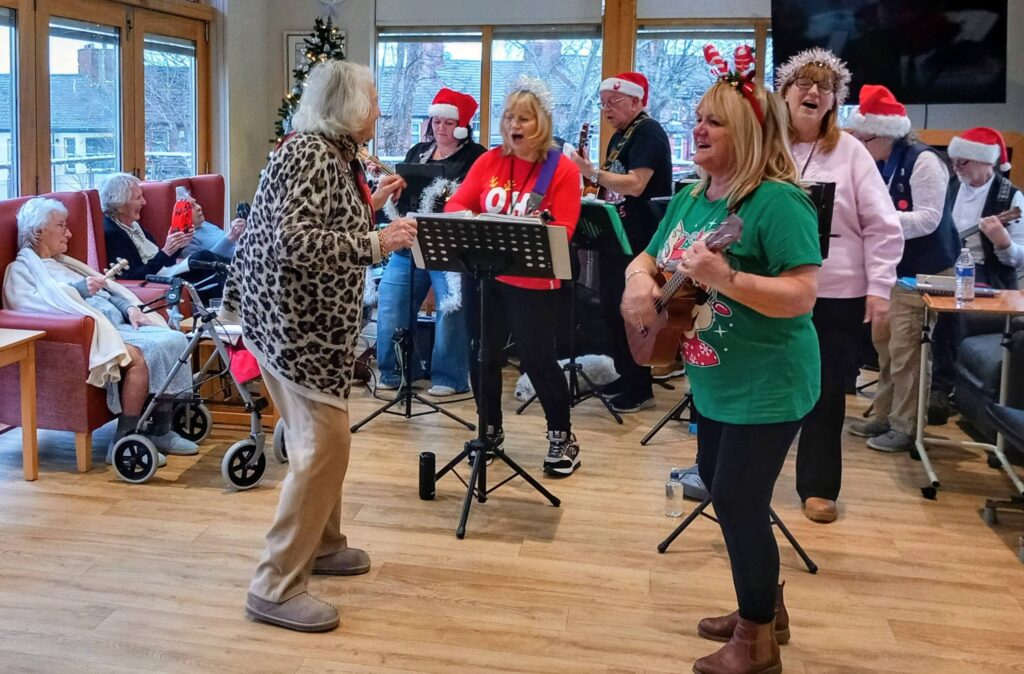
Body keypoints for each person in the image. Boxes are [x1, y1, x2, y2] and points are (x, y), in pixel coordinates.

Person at [620, 46, 821, 673]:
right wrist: (635, 285)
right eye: (697, 118)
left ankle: (757, 642)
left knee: (735, 499)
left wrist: (728, 278)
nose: (697, 129)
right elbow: (647, 258)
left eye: (715, 121)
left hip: (769, 381)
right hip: (712, 380)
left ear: (750, 133)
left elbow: (800, 295)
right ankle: (766, 605)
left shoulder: (779, 203)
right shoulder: (689, 197)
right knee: (730, 495)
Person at [220, 61, 414, 633]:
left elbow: (323, 219)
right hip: (291, 325)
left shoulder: (336, 154)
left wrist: (371, 205)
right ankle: (275, 586)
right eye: (373, 101)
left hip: (309, 323)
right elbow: (293, 238)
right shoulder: (309, 153)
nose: (379, 111)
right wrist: (377, 241)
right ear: (348, 107)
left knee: (327, 440)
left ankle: (323, 546)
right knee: (322, 446)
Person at [777, 47, 904, 523]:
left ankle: (817, 486)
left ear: (834, 101)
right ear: (785, 92)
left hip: (836, 293)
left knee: (827, 391)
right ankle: (746, 474)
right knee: (767, 384)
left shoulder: (850, 151)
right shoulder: (766, 147)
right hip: (772, 288)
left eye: (825, 87)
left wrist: (880, 286)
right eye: (804, 84)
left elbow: (883, 225)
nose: (814, 92)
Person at [444, 76, 583, 477]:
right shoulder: (488, 161)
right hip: (484, 277)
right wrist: (467, 218)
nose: (514, 126)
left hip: (533, 283)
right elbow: (457, 202)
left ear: (542, 123)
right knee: (481, 354)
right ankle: (488, 430)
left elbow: (566, 229)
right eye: (508, 118)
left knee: (538, 359)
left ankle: (562, 435)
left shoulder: (561, 170)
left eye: (524, 118)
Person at [3, 198, 197, 463]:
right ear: (38, 231)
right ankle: (125, 438)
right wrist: (80, 290)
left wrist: (129, 308)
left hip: (116, 324)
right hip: (88, 336)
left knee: (175, 340)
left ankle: (160, 429)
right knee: (139, 356)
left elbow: (106, 291)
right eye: (61, 226)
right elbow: (29, 305)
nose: (69, 233)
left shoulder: (66, 263)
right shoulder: (21, 270)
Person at [845, 85, 960, 452]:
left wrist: (878, 219)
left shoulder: (924, 160)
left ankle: (905, 426)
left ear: (885, 133)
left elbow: (928, 219)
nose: (862, 146)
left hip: (925, 269)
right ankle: (882, 414)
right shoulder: (881, 161)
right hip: (890, 269)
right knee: (886, 348)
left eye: (865, 140)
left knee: (907, 348)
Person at [569, 71, 673, 413]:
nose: (606, 109)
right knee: (612, 308)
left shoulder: (649, 132)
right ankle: (625, 374)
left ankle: (640, 386)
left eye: (614, 102)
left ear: (636, 101)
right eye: (602, 104)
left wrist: (591, 173)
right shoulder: (619, 137)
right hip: (617, 233)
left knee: (633, 311)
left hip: (641, 237)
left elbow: (637, 183)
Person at [375, 88, 485, 396]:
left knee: (451, 310)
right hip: (409, 240)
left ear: (462, 126)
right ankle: (394, 370)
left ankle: (449, 377)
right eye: (436, 122)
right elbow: (406, 195)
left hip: (451, 244)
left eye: (448, 123)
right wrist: (394, 191)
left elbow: (474, 199)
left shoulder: (477, 157)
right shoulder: (418, 152)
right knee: (392, 302)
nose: (440, 128)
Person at [929, 127, 1024, 421]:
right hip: (949, 266)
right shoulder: (951, 188)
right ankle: (937, 387)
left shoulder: (1011, 197)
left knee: (956, 314)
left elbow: (1019, 258)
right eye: (954, 161)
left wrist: (1003, 241)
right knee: (936, 312)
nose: (956, 167)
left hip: (991, 274)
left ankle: (946, 390)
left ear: (986, 162)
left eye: (963, 162)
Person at [100, 173, 193, 281]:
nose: (144, 202)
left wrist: (178, 245)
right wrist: (166, 251)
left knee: (205, 262)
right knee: (203, 259)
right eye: (138, 198)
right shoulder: (113, 233)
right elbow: (131, 276)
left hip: (164, 274)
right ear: (120, 204)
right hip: (151, 282)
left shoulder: (134, 225)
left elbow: (166, 262)